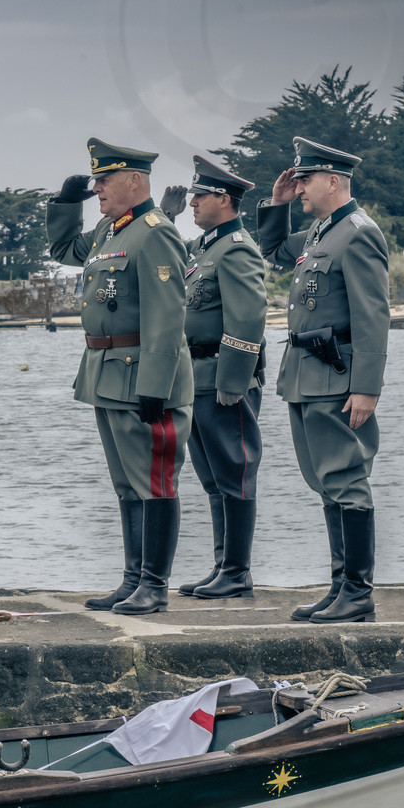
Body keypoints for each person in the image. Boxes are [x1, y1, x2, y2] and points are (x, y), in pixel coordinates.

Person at [48, 138, 192, 616]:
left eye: (103, 180)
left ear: (135, 180)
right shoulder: (110, 232)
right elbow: (65, 247)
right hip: (106, 374)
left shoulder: (154, 232)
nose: (97, 189)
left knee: (155, 482)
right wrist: (67, 204)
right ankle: (133, 580)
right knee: (127, 485)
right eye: (93, 181)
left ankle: (154, 585)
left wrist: (155, 385)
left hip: (140, 377)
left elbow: (167, 316)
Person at [257, 136, 390, 623]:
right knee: (325, 482)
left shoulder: (358, 232)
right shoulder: (318, 234)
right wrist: (278, 204)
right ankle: (340, 589)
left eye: (306, 179)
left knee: (347, 480)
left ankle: (357, 592)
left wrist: (367, 387)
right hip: (307, 377)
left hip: (338, 379)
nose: (300, 186)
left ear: (334, 181)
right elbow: (272, 250)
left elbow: (373, 315)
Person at [157, 156, 268, 599]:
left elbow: (248, 317)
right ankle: (224, 564)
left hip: (224, 379)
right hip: (196, 377)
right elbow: (161, 261)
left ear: (224, 199)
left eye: (199, 196)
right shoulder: (204, 247)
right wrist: (165, 219)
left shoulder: (237, 247)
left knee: (235, 472)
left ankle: (237, 571)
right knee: (212, 476)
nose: (193, 203)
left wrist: (233, 381)